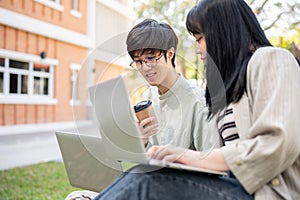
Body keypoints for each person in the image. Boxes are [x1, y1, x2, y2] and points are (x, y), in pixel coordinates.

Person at [93, 0, 300, 199]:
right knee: (139, 174)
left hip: (265, 193)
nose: (197, 48)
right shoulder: (225, 88)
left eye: (200, 37)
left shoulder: (272, 59)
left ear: (223, 31)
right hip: (228, 187)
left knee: (150, 180)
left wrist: (186, 156)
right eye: (138, 62)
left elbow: (277, 142)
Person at [65, 19, 212, 200]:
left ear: (170, 54)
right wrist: (139, 142)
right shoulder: (148, 98)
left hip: (176, 192)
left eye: (151, 58)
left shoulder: (200, 104)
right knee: (77, 197)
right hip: (146, 187)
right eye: (138, 61)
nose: (145, 68)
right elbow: (144, 160)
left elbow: (211, 170)